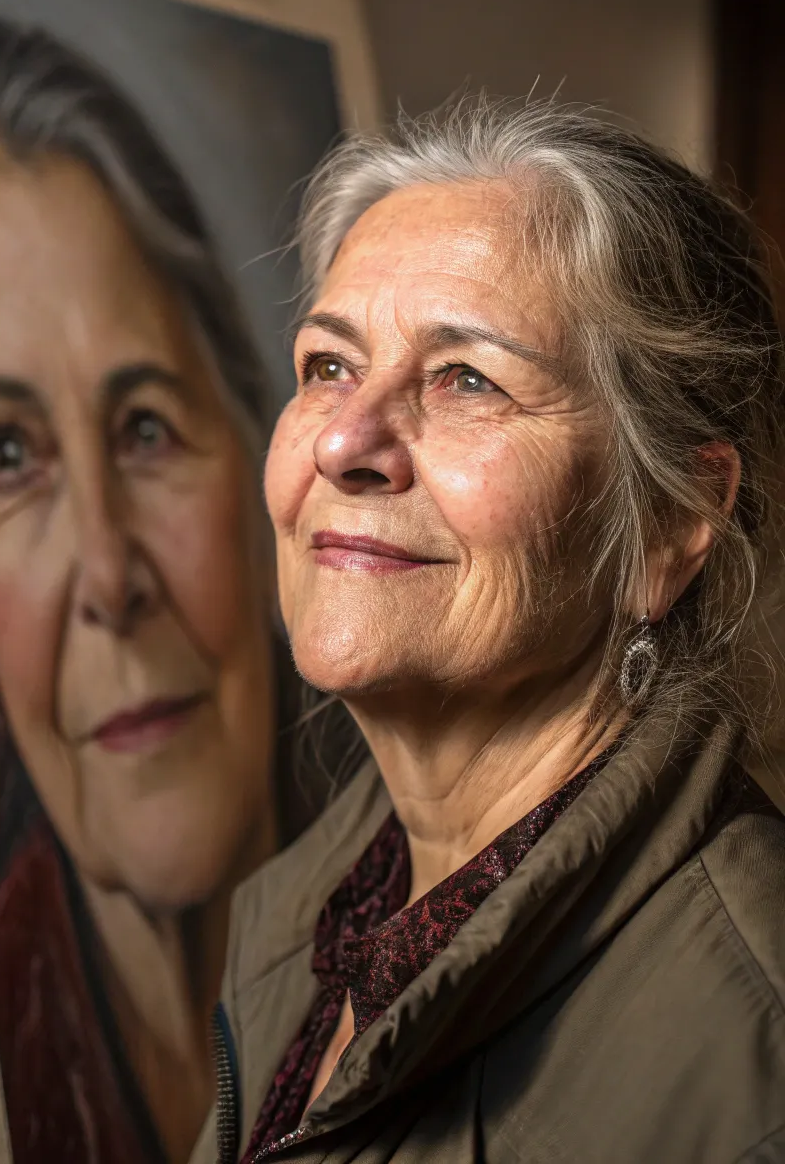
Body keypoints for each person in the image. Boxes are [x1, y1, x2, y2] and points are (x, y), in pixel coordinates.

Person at [195, 96, 785, 1164]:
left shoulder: (754, 1056)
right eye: (329, 366)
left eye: (466, 379)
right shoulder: (315, 920)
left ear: (670, 525)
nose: (344, 443)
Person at [0, 15, 338, 1164]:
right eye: (8, 457)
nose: (109, 573)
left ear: (263, 463)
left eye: (145, 426)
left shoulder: (443, 930)